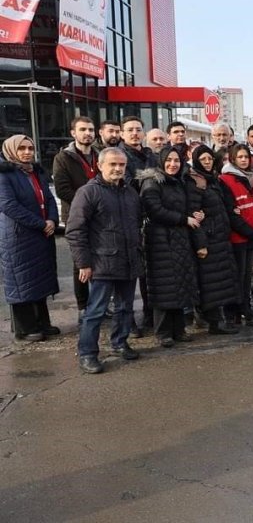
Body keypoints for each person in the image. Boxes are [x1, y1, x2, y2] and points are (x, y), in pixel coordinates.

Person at [66, 148, 143, 373]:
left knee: (125, 307)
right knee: (95, 312)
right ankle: (88, 354)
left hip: (128, 261)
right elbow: (75, 230)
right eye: (113, 164)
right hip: (102, 264)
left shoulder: (130, 193)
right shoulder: (88, 192)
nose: (118, 169)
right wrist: (83, 263)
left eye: (122, 165)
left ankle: (120, 342)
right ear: (100, 166)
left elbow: (137, 223)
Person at [0, 135, 59, 342]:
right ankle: (26, 328)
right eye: (22, 148)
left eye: (30, 148)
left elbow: (49, 198)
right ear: (10, 150)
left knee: (39, 278)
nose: (27, 152)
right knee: (21, 281)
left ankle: (43, 322)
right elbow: (8, 205)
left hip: (40, 233)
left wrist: (52, 220)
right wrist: (41, 224)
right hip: (18, 237)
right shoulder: (4, 174)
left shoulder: (35, 171)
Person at [139, 147, 199, 347]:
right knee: (163, 286)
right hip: (159, 240)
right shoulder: (152, 182)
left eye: (176, 160)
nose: (173, 164)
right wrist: (184, 219)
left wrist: (195, 214)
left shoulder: (178, 181)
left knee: (180, 284)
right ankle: (163, 332)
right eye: (169, 160)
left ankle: (179, 329)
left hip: (179, 238)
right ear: (161, 161)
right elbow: (154, 210)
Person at [186, 145, 240, 334]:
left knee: (220, 281)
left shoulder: (213, 180)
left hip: (220, 237)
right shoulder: (195, 182)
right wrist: (200, 243)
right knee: (210, 283)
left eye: (210, 159)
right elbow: (193, 215)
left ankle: (218, 322)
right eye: (203, 160)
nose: (207, 162)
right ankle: (213, 322)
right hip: (208, 238)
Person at [53, 116, 98, 322]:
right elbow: (62, 189)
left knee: (100, 260)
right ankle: (83, 306)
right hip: (77, 216)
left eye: (90, 129)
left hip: (99, 216)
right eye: (83, 129)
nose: (87, 133)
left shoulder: (99, 155)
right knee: (80, 263)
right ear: (73, 133)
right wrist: (88, 203)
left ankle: (99, 303)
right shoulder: (63, 158)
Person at [120, 115, 157, 337]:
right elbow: (128, 181)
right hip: (129, 217)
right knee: (129, 272)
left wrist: (148, 176)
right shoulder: (119, 155)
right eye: (130, 130)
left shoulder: (150, 154)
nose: (135, 133)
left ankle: (150, 313)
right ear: (122, 134)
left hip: (152, 216)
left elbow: (161, 177)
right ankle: (128, 321)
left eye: (138, 129)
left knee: (149, 271)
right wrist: (152, 175)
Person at [220, 144, 253, 327]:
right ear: (233, 159)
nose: (244, 160)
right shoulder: (226, 179)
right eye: (240, 157)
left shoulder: (252, 177)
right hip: (238, 236)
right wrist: (250, 232)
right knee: (236, 275)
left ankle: (245, 308)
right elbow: (231, 212)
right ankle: (233, 312)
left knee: (246, 276)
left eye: (246, 157)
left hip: (252, 234)